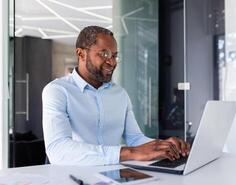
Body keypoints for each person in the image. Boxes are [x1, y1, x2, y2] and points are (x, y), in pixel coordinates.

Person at [42, 26, 190, 165]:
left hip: (116, 177)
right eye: (104, 54)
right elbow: (58, 150)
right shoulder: (58, 91)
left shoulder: (120, 94)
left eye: (114, 55)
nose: (112, 62)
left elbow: (135, 139)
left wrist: (164, 145)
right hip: (75, 179)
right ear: (81, 53)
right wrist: (129, 153)